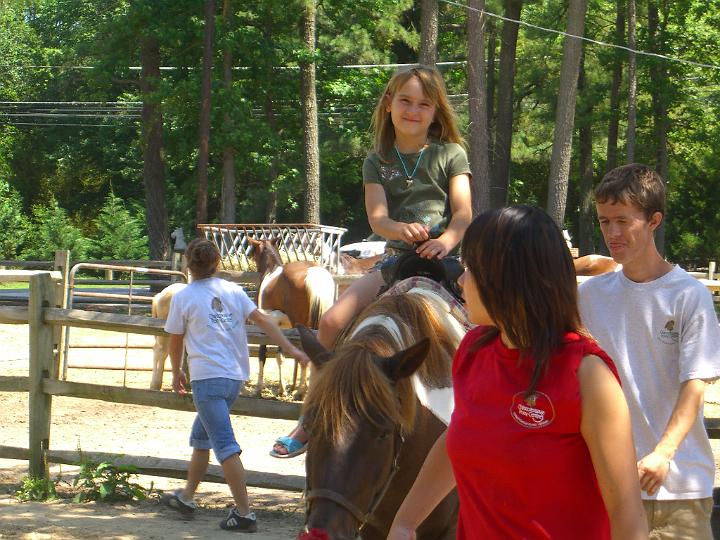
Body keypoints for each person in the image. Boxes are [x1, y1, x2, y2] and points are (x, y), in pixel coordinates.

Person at [388, 205, 648, 539]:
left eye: (472, 269)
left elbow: (628, 517)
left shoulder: (587, 375)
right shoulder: (472, 351)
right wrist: (405, 521)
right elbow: (460, 437)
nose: (460, 279)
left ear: (508, 278)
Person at [271, 63, 472, 457]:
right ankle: (311, 418)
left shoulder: (450, 153)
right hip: (396, 260)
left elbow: (463, 213)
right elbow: (378, 218)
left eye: (423, 104)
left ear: (436, 111)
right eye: (406, 101)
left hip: (445, 259)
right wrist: (400, 230)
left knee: (489, 327)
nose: (413, 110)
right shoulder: (377, 160)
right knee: (330, 321)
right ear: (388, 104)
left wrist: (445, 241)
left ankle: (489, 414)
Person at [578, 163, 720, 539]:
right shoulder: (587, 297)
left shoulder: (689, 296)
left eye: (623, 221)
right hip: (606, 486)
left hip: (677, 489)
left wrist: (663, 453)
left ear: (654, 220)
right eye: (605, 221)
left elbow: (695, 385)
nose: (612, 232)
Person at [162, 238, 309, 532]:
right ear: (217, 263)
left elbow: (175, 338)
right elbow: (265, 322)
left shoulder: (184, 297)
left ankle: (244, 514)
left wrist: (177, 370)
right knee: (202, 437)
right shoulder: (233, 291)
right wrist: (291, 349)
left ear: (189, 265)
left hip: (207, 378)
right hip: (234, 377)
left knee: (225, 446)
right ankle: (187, 496)